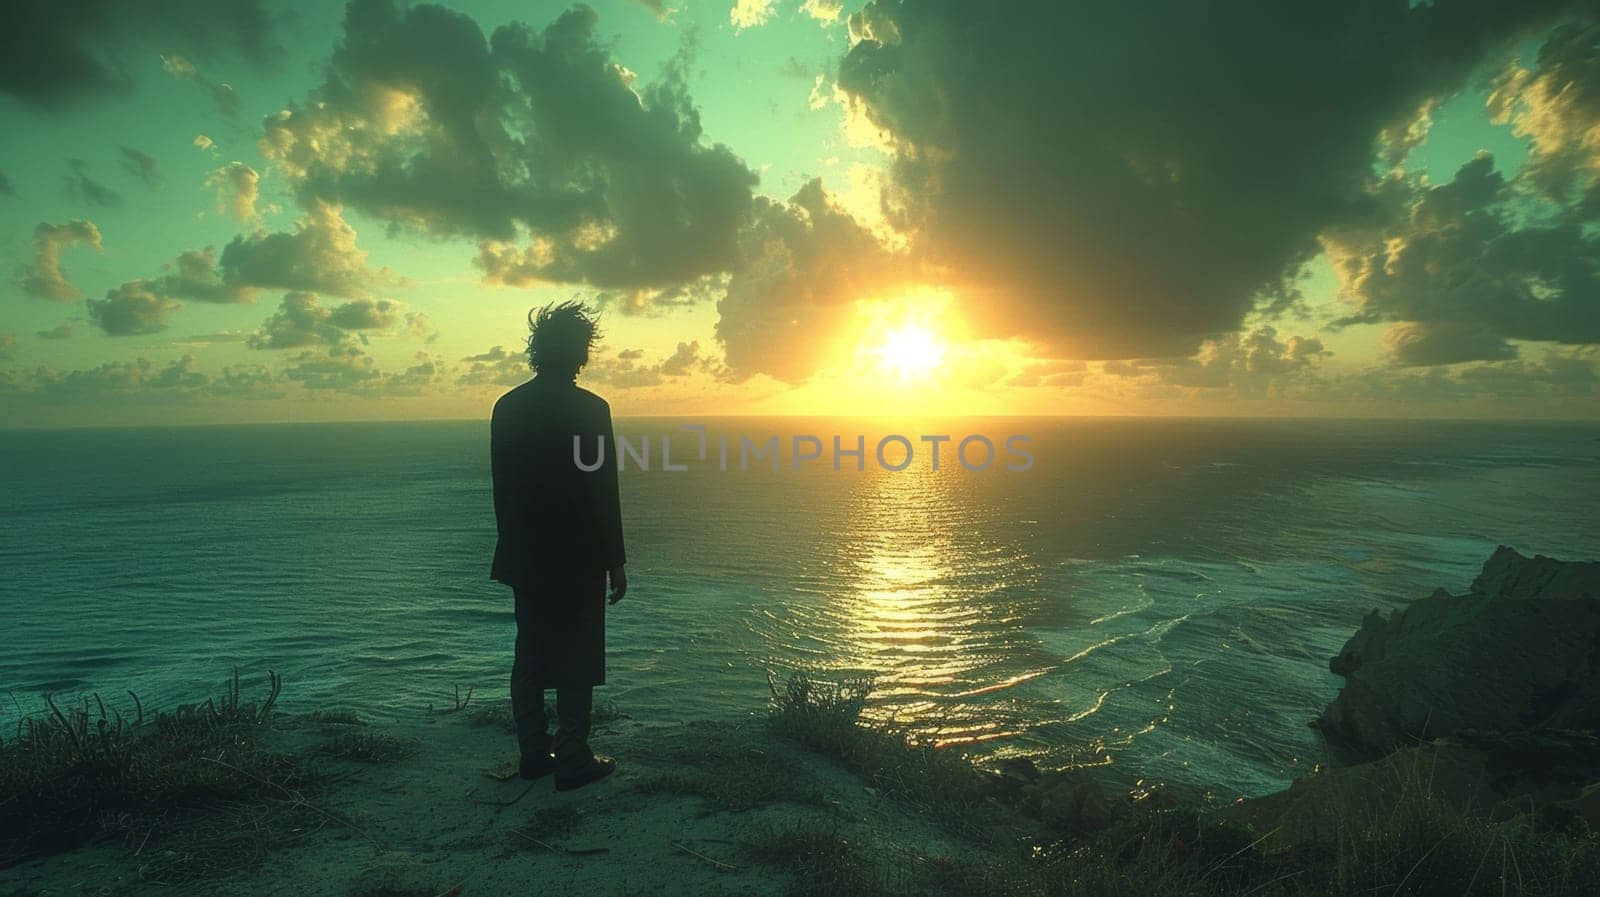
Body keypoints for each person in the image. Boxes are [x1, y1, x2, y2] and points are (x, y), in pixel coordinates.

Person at [490, 301, 627, 791]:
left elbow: (501, 490)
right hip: (580, 553)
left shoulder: (507, 408)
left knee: (529, 651)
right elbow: (601, 491)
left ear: (537, 350)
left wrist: (514, 549)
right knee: (578, 652)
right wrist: (616, 561)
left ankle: (533, 752)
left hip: (527, 553)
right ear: (580, 353)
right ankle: (573, 755)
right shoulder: (590, 410)